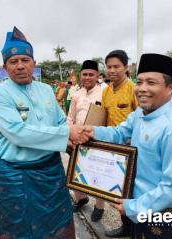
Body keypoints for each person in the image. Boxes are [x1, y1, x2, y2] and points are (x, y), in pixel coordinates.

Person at [81, 53, 172, 239]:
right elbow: (120, 132)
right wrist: (91, 131)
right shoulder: (141, 112)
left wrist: (133, 207)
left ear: (170, 88)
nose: (142, 89)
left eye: (151, 83)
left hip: (166, 212)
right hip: (143, 203)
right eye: (140, 82)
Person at [0, 26, 87, 239]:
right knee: (22, 229)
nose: (20, 66)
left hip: (51, 172)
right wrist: (68, 132)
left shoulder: (45, 90)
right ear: (5, 67)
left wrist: (81, 143)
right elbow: (18, 133)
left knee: (59, 226)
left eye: (25, 60)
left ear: (34, 63)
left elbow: (60, 120)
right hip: (16, 175)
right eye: (13, 62)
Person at [101, 50, 138, 238]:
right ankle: (126, 227)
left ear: (126, 67)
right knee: (118, 191)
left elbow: (142, 118)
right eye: (109, 67)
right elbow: (104, 118)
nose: (112, 70)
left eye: (116, 66)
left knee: (132, 192)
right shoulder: (106, 90)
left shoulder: (133, 89)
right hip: (111, 148)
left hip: (132, 150)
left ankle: (135, 230)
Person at [67, 60, 104, 222]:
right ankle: (81, 198)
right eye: (85, 74)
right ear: (80, 76)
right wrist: (69, 135)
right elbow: (70, 118)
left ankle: (99, 206)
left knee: (98, 175)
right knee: (75, 172)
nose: (87, 77)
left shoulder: (105, 92)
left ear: (97, 76)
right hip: (77, 140)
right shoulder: (76, 94)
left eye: (91, 74)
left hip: (97, 140)